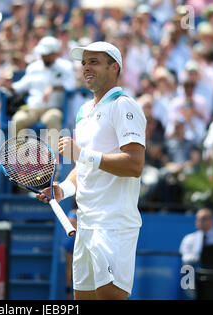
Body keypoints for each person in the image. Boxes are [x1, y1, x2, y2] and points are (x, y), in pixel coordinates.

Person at [37, 42, 146, 300]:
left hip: (113, 223)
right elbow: (83, 166)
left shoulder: (124, 106)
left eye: (94, 62)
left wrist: (83, 154)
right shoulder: (84, 111)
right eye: (84, 62)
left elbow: (134, 164)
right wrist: (64, 187)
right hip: (85, 223)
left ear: (114, 67)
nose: (86, 67)